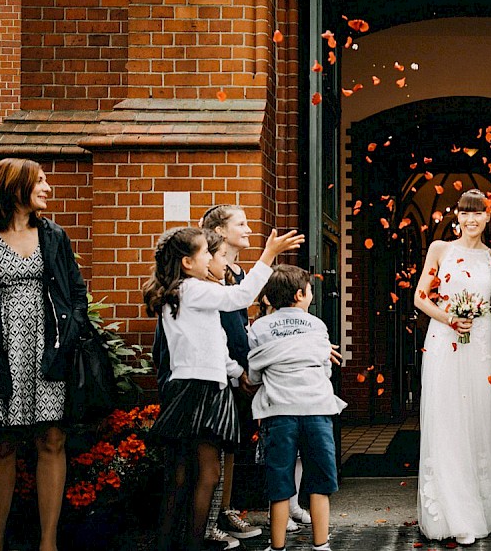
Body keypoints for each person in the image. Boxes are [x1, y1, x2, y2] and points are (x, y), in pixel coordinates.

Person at [143, 225, 302, 551]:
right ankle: (192, 542)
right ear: (187, 262)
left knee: (181, 474)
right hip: (201, 391)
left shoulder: (181, 292)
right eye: (205, 253)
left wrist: (234, 370)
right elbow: (240, 297)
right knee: (209, 473)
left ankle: (168, 541)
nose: (211, 259)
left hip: (188, 385)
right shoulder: (193, 289)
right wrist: (268, 255)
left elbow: (205, 344)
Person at [414, 189, 491, 546]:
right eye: (464, 212)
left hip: (482, 346)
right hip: (445, 342)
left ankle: (482, 508)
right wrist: (449, 318)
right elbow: (420, 296)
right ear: (456, 216)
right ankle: (453, 511)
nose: (471, 219)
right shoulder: (439, 250)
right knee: (448, 419)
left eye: (478, 213)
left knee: (480, 419)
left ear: (488, 217)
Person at [0, 158, 87, 551]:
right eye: (40, 181)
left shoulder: (54, 236)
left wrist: (72, 331)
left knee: (52, 439)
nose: (48, 187)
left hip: (49, 349)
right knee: (1, 445)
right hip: (2, 352)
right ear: (15, 187)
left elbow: (76, 292)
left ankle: (49, 543)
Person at [247, 264, 346, 551]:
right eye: (311, 290)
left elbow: (253, 373)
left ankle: (276, 546)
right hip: (316, 409)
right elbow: (326, 369)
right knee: (319, 481)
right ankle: (321, 544)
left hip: (278, 412)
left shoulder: (260, 327)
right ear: (301, 295)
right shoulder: (317, 325)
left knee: (279, 482)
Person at [199, 205, 264, 543]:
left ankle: (225, 510)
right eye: (241, 223)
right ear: (220, 231)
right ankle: (212, 518)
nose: (249, 228)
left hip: (239, 366)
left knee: (233, 443)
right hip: (224, 369)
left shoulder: (237, 271)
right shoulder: (212, 274)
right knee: (222, 443)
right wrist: (237, 370)